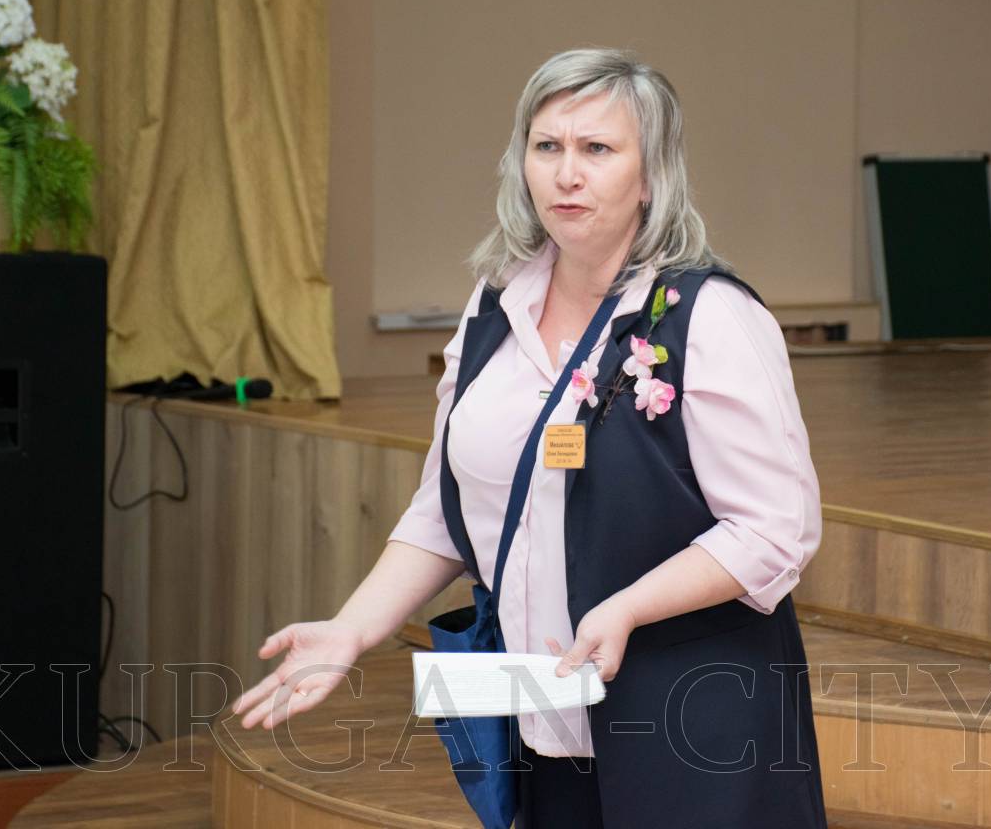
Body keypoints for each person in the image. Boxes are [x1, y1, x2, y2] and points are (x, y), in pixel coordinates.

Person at [232, 48, 827, 827]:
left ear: (652, 175)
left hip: (698, 727)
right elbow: (447, 509)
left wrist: (628, 608)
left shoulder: (709, 316)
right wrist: (352, 628)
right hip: (543, 724)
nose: (566, 174)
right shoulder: (494, 306)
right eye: (547, 146)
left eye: (597, 149)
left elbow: (775, 529)